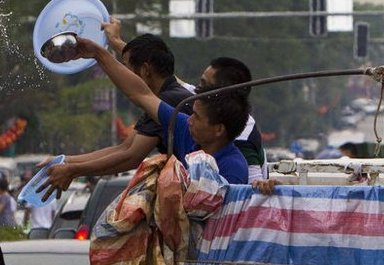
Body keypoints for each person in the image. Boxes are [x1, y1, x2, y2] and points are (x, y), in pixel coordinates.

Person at [54, 33, 250, 186]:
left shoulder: (232, 169)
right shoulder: (184, 128)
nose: (188, 119)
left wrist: (73, 169)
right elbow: (140, 94)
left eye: (196, 117)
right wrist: (98, 53)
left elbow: (129, 156)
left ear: (219, 129)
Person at [41, 30, 195, 193]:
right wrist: (66, 162)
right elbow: (124, 147)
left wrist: (73, 170)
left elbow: (131, 157)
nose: (122, 74)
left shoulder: (167, 100)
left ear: (145, 70)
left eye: (126, 68)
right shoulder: (169, 96)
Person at [199, 56, 267, 182]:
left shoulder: (242, 137)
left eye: (204, 85)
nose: (197, 90)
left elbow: (253, 188)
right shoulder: (203, 112)